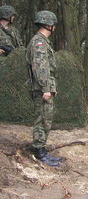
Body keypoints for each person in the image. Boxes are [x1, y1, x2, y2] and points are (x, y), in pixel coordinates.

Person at [26, 11, 62, 166]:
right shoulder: (39, 43)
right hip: (41, 88)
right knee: (42, 119)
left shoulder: (43, 41)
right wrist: (46, 88)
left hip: (45, 86)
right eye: (53, 24)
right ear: (49, 25)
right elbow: (41, 68)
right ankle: (39, 151)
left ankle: (42, 149)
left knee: (46, 119)